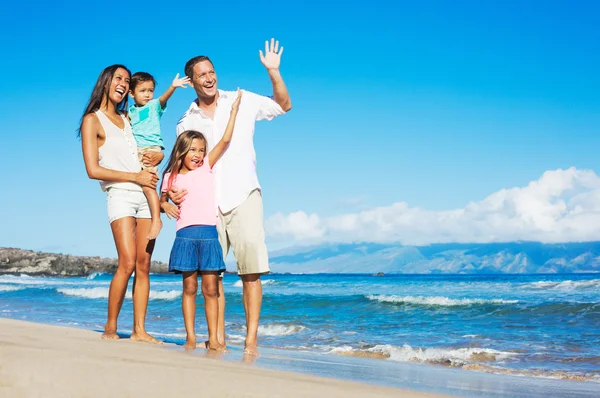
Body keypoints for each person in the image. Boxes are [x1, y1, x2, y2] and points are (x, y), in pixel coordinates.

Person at [168, 38, 292, 355]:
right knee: (214, 275)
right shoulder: (186, 121)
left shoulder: (241, 98)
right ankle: (218, 340)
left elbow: (283, 105)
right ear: (192, 81)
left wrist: (274, 72)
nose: (209, 78)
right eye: (202, 75)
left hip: (244, 194)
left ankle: (251, 341)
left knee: (250, 271)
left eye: (212, 72)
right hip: (207, 207)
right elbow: (179, 166)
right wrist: (168, 196)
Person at [79, 64, 161, 343]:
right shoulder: (93, 120)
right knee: (126, 262)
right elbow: (92, 170)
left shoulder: (128, 118)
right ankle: (110, 328)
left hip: (145, 195)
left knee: (144, 264)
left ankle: (139, 330)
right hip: (120, 195)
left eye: (127, 81)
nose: (124, 85)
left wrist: (156, 159)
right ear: (106, 81)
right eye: (119, 79)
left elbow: (148, 144)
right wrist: (134, 176)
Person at [160, 90, 242, 351]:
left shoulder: (207, 166)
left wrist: (233, 112)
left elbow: (226, 140)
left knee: (211, 289)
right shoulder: (171, 175)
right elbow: (161, 201)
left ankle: (215, 339)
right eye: (193, 150)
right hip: (184, 236)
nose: (198, 154)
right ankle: (191, 337)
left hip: (208, 235)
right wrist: (165, 204)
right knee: (189, 289)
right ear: (181, 150)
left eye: (202, 150)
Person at [128, 72, 190, 240]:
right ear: (131, 93)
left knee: (149, 185)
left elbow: (163, 99)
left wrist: (173, 86)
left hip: (150, 149)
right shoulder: (130, 112)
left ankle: (157, 220)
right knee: (137, 184)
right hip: (135, 151)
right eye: (143, 91)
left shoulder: (153, 106)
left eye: (150, 90)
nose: (148, 94)